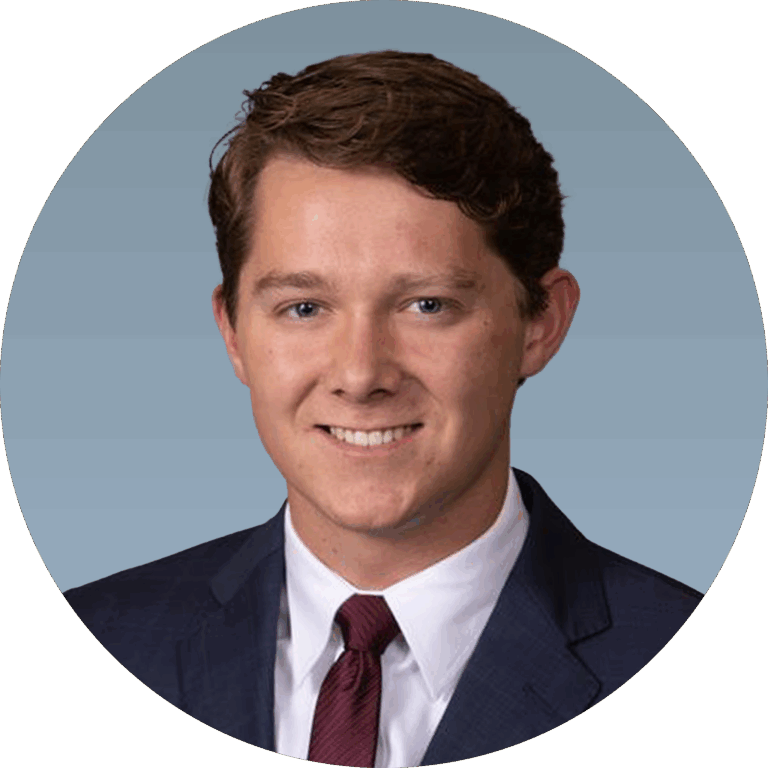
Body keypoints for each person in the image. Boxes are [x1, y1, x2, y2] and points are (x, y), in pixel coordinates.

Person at [64, 51, 702, 767]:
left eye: (427, 305)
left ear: (540, 325)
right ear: (234, 334)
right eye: (304, 307)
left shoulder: (705, 676)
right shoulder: (84, 650)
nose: (361, 375)